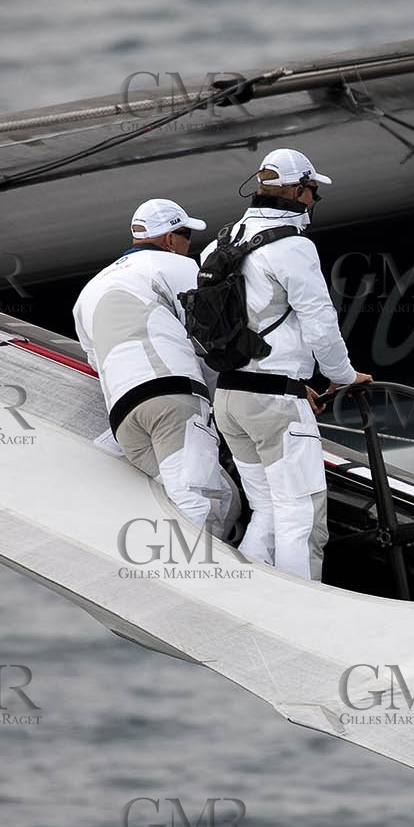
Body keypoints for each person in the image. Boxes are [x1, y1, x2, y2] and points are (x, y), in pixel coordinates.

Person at [205, 149, 371, 581]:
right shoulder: (294, 246)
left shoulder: (220, 242)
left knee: (267, 509)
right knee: (302, 514)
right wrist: (344, 376)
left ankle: (251, 599)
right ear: (298, 191)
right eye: (313, 191)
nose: (314, 201)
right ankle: (304, 611)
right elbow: (320, 321)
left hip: (228, 397)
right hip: (274, 404)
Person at [73, 199, 234, 531]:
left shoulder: (88, 292)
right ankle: (192, 578)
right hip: (172, 400)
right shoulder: (181, 268)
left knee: (225, 497)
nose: (189, 245)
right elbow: (211, 340)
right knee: (199, 503)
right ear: (170, 239)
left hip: (124, 419)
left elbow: (95, 361)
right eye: (186, 235)